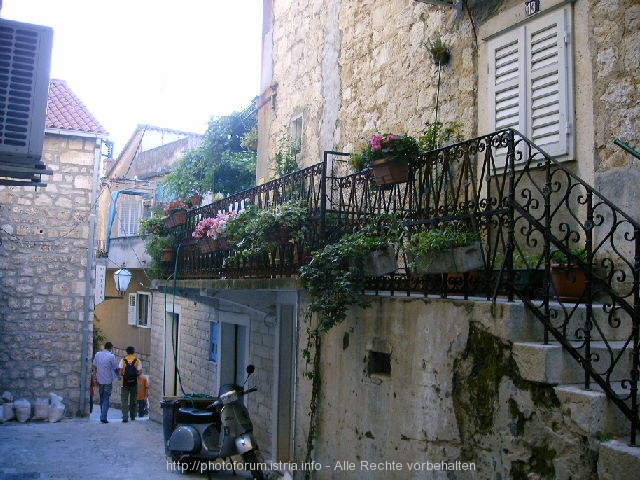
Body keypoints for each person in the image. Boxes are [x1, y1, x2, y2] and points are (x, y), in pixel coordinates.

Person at [92, 341, 119, 424]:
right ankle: (103, 417)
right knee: (106, 398)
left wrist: (96, 376)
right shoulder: (111, 356)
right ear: (110, 348)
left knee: (102, 398)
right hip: (108, 380)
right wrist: (118, 375)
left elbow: (95, 365)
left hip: (100, 380)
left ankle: (102, 415)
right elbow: (116, 368)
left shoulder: (97, 354)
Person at [118, 346, 142, 423]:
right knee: (133, 399)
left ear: (127, 352)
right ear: (133, 352)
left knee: (124, 400)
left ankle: (125, 417)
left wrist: (124, 375)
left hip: (124, 383)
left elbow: (121, 372)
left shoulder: (123, 360)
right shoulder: (137, 360)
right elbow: (140, 372)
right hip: (134, 383)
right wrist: (135, 375)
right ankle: (133, 416)